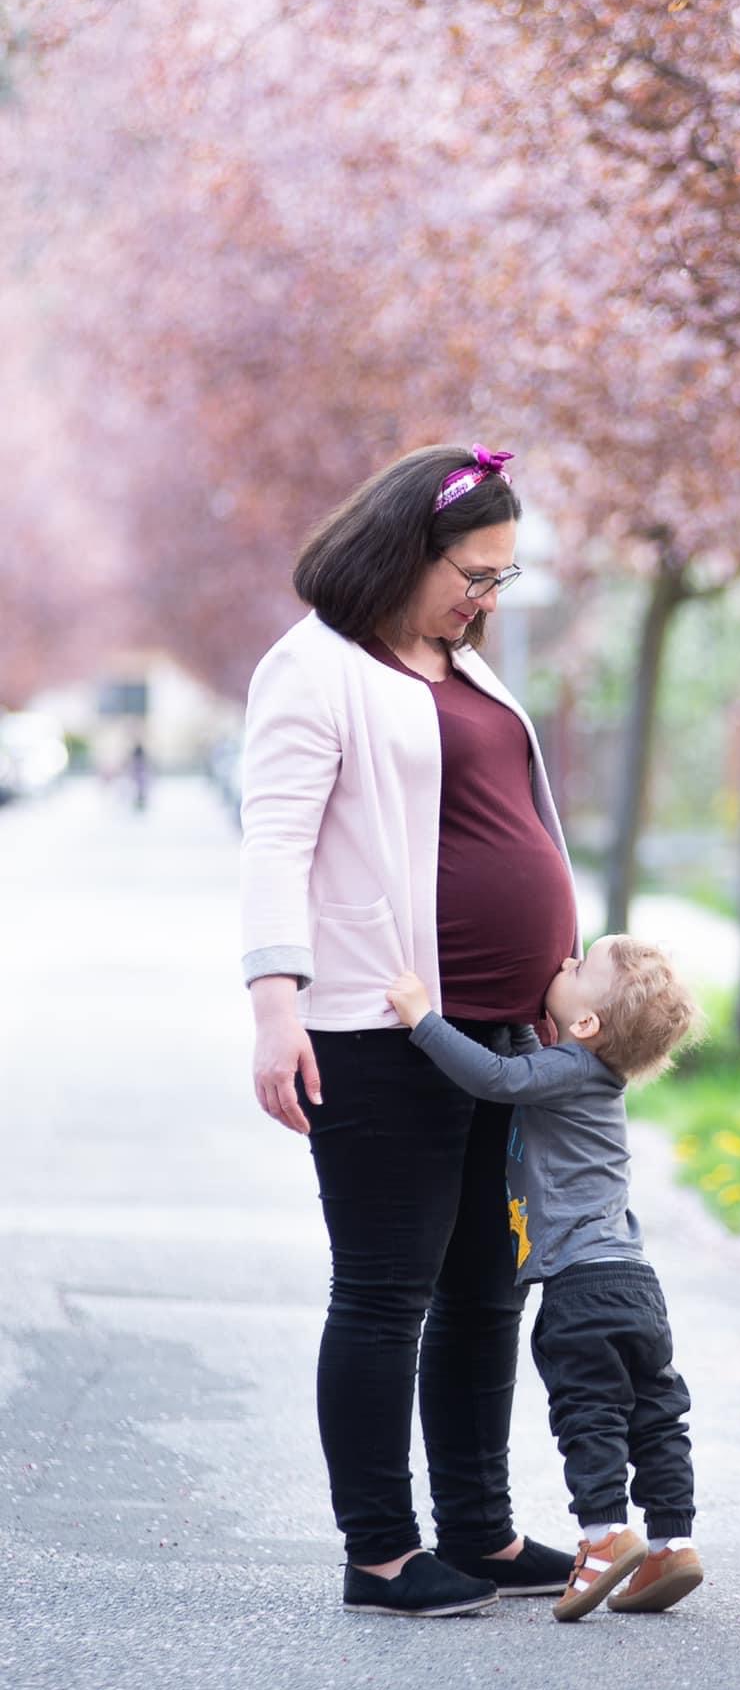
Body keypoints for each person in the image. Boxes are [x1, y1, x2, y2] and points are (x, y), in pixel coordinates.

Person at [241, 441, 579, 1618]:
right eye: (473, 572)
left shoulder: (461, 665)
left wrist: (562, 970)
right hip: (376, 1028)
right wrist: (274, 1002)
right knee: (387, 1287)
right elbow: (276, 841)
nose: (486, 597)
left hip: (503, 1032)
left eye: (502, 576)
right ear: (407, 549)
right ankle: (380, 1550)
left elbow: (511, 817)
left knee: (491, 1285)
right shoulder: (315, 667)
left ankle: (478, 1531)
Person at [387, 933, 704, 1622]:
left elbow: (498, 1081)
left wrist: (423, 1019)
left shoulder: (570, 1069)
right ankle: (673, 1542)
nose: (561, 961)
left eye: (578, 965)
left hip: (581, 1289)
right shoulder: (589, 1073)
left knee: (587, 1415)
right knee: (655, 1415)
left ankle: (603, 1536)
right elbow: (526, 1069)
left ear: (586, 1026)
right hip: (636, 1282)